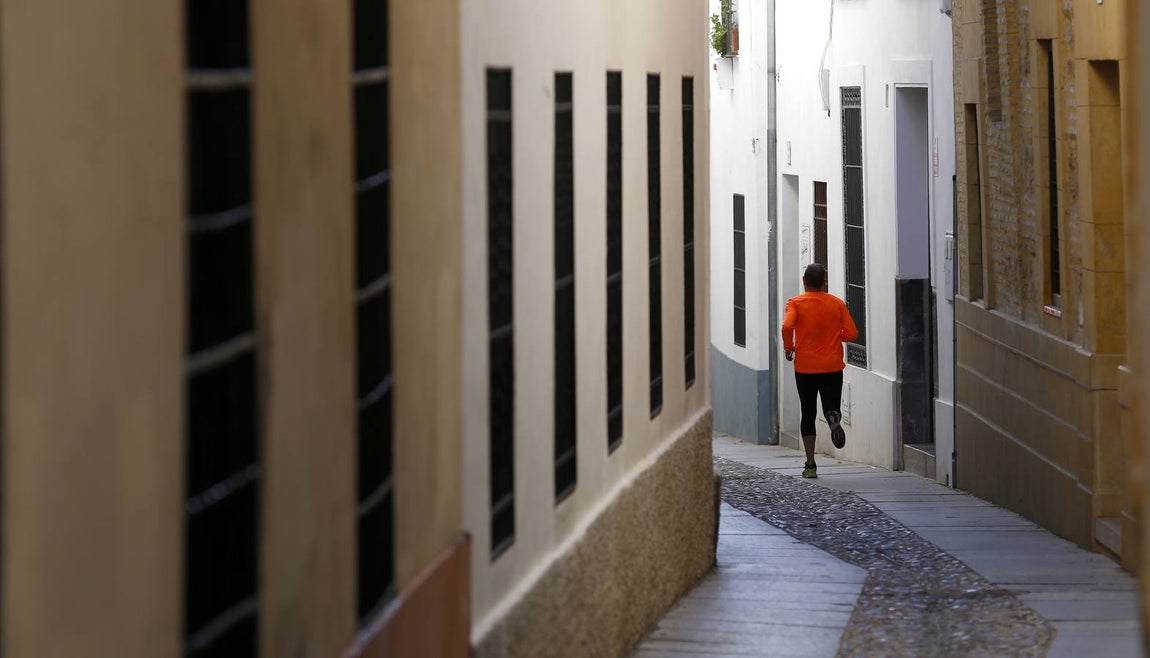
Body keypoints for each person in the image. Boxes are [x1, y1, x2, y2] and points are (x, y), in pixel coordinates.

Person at [781, 263, 858, 479]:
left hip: (805, 367)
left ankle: (811, 465)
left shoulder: (795, 303)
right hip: (832, 366)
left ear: (804, 282)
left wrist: (789, 347)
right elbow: (852, 333)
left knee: (808, 412)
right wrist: (836, 336)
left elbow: (787, 326)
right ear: (824, 283)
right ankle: (833, 415)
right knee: (830, 404)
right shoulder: (836, 303)